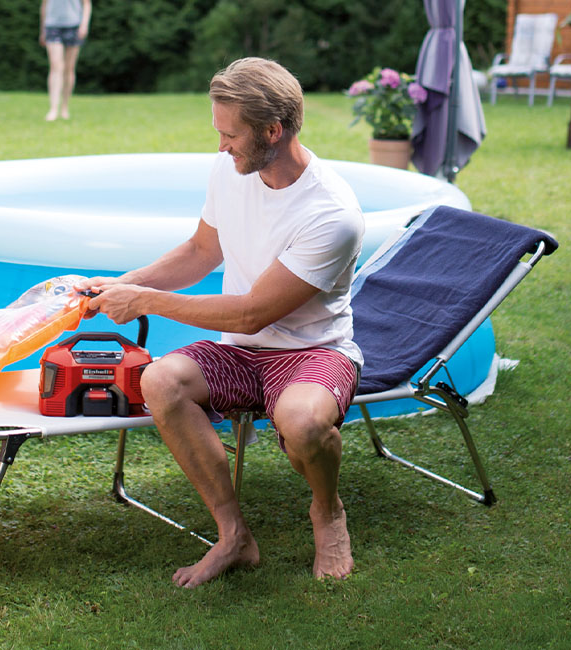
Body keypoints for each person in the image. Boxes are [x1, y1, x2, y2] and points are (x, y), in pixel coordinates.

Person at [76, 57, 364, 588]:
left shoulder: (331, 214)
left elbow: (254, 313)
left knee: (302, 424)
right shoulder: (233, 169)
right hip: (240, 350)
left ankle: (327, 512)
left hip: (311, 352)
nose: (220, 146)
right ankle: (233, 536)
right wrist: (120, 284)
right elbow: (200, 250)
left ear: (272, 131)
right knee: (160, 380)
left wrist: (143, 301)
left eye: (230, 135)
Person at [39, 0, 91, 121]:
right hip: (52, 26)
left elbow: (86, 4)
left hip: (74, 26)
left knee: (69, 68)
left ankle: (64, 107)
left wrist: (84, 24)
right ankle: (53, 109)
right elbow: (44, 5)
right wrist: (42, 29)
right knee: (56, 66)